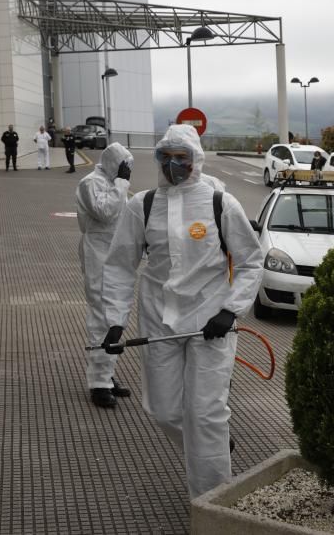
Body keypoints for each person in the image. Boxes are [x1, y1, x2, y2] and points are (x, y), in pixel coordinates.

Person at [101, 124, 264, 499]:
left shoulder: (219, 203)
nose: (174, 165)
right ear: (158, 159)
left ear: (196, 160)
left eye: (182, 158)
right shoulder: (141, 205)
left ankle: (213, 503)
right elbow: (121, 265)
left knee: (206, 413)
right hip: (160, 322)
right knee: (164, 410)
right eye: (167, 157)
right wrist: (114, 321)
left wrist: (230, 310)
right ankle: (216, 448)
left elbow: (251, 261)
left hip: (212, 324)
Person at [76, 142, 134, 408]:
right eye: (124, 167)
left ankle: (107, 375)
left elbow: (127, 216)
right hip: (98, 253)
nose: (127, 171)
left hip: (116, 254)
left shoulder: (115, 184)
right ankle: (98, 384)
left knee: (115, 317)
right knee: (101, 317)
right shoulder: (91, 183)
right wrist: (121, 183)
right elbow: (105, 211)